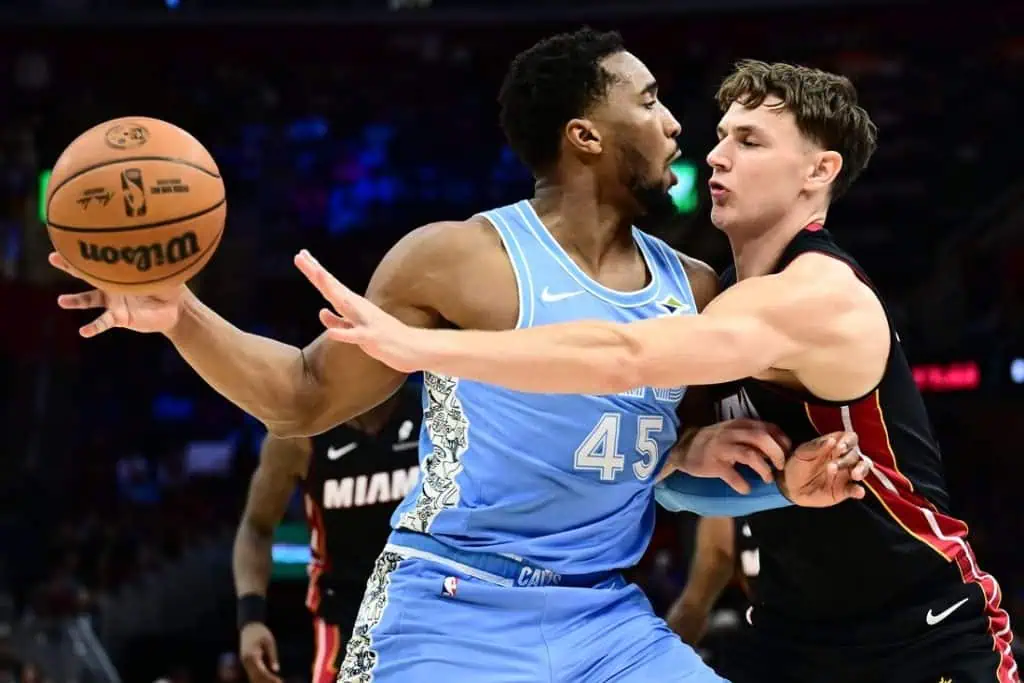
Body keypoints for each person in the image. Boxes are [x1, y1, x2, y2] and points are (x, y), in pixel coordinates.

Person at [51, 30, 864, 681]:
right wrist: (182, 314)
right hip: (451, 610)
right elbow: (301, 397)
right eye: (648, 101)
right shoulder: (456, 259)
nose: (675, 123)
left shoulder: (692, 283)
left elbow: (671, 475)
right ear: (585, 135)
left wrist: (764, 480)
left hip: (607, 620)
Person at [311, 58, 1019, 683]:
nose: (715, 155)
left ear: (818, 171)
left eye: (748, 141)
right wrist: (685, 455)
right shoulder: (725, 299)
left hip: (921, 633)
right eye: (720, 136)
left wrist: (421, 348)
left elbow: (624, 355)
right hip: (794, 635)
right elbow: (681, 491)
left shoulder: (817, 296)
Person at [233, 385, 421, 683]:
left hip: (431, 603)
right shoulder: (300, 432)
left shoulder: (438, 411)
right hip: (346, 615)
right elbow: (256, 526)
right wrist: (251, 618)